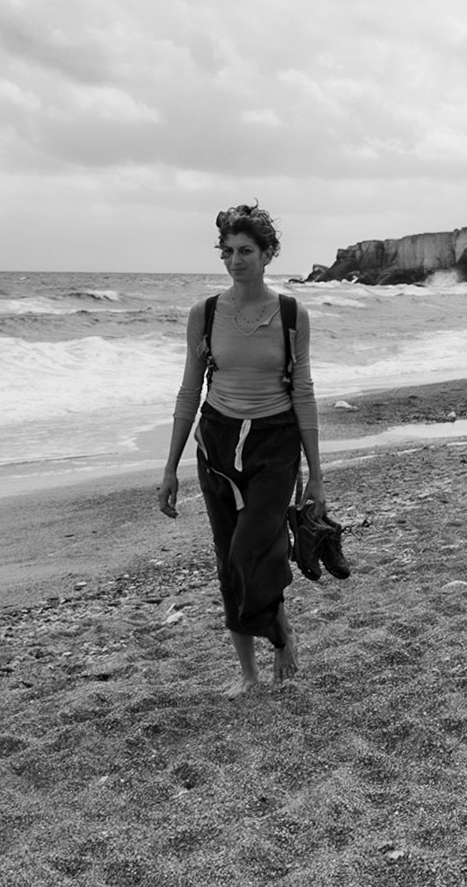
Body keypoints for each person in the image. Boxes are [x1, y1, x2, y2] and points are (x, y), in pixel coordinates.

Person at [158, 204, 325, 696]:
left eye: (246, 251)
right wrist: (169, 468)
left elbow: (304, 391)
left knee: (253, 549)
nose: (235, 260)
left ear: (269, 254)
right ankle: (249, 674)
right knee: (226, 555)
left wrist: (316, 473)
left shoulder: (292, 314)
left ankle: (279, 632)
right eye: (227, 251)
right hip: (217, 442)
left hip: (275, 442)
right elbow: (190, 391)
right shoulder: (205, 314)